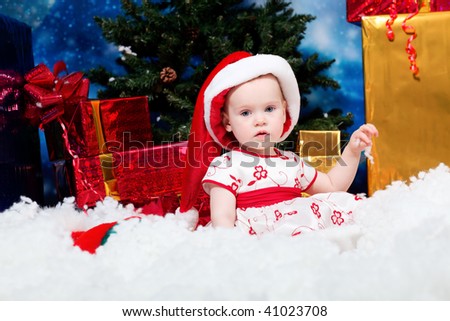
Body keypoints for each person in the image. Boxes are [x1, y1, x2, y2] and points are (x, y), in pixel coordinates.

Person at [178, 51, 378, 236]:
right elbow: (223, 219)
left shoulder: (291, 162)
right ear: (228, 122)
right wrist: (231, 249)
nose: (260, 120)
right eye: (246, 113)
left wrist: (352, 151)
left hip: (298, 226)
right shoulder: (227, 165)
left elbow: (333, 186)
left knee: (351, 210)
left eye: (269, 109)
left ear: (284, 112)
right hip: (257, 237)